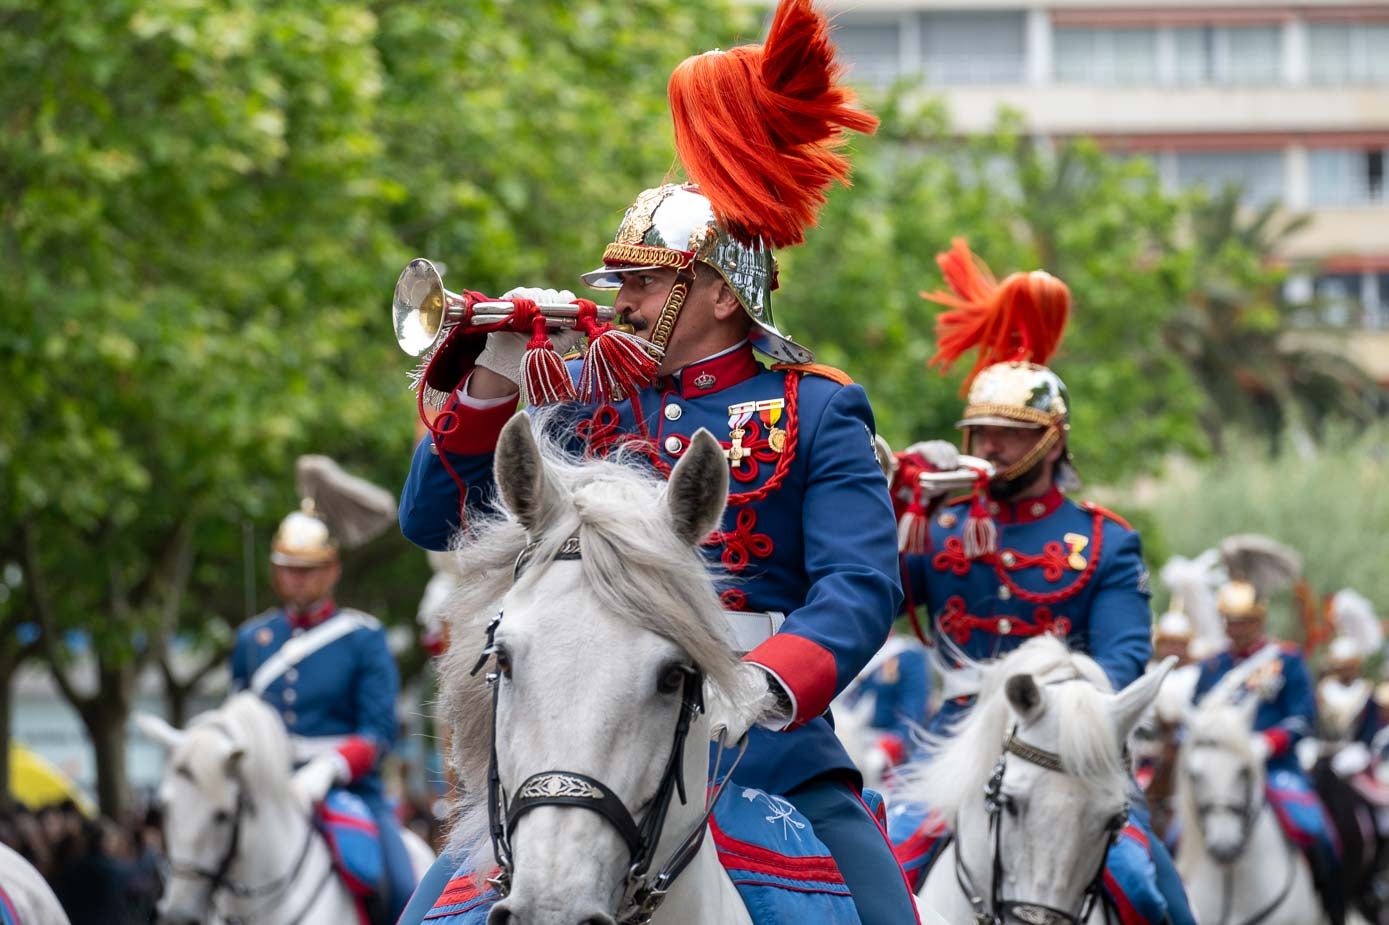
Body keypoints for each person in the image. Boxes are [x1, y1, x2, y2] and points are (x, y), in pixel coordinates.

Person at [396, 3, 919, 922]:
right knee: (428, 906)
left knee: (883, 908)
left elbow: (859, 585)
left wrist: (766, 681)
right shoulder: (582, 401)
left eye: (643, 282)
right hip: (581, 736)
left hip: (761, 736)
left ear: (717, 291)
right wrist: (492, 372)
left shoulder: (816, 408)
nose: (622, 303)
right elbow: (435, 520)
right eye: (621, 284)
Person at [888, 240, 1195, 924]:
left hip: (1072, 755)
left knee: (1148, 890)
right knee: (879, 873)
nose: (988, 447)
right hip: (954, 743)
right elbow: (871, 595)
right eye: (979, 432)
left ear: (1051, 439)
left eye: (1008, 433)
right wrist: (889, 504)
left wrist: (1058, 702)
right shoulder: (933, 523)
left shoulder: (1107, 540)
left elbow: (1120, 661)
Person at [229, 467, 414, 923]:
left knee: (402, 886)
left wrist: (326, 770)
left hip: (348, 790)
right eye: (287, 570)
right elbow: (236, 722)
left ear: (332, 570)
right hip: (267, 791)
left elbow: (378, 732)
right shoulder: (253, 640)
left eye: (307, 570)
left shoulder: (363, 638)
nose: (296, 580)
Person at [1193, 579, 1345, 924]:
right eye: (1230, 620)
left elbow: (1303, 716)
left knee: (1320, 833)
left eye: (1244, 620)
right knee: (1172, 835)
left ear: (1259, 622)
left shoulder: (1286, 661)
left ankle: (1333, 912)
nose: (1237, 628)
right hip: (1221, 772)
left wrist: (1268, 743)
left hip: (1276, 767)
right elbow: (1196, 719)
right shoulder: (1211, 668)